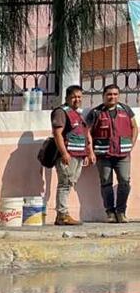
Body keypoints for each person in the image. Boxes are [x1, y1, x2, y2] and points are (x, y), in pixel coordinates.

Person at [87, 83, 137, 223]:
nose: (112, 97)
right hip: (104, 155)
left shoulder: (126, 110)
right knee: (106, 184)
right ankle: (110, 213)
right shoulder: (96, 112)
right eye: (109, 94)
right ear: (103, 96)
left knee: (125, 182)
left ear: (118, 95)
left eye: (115, 94)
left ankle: (121, 212)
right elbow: (88, 133)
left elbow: (135, 127)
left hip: (123, 155)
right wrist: (90, 152)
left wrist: (131, 145)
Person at [50, 85, 91, 226]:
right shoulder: (61, 112)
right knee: (65, 184)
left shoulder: (77, 113)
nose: (77, 99)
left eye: (79, 97)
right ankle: (62, 215)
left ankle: (63, 215)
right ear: (67, 97)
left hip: (78, 155)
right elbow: (57, 134)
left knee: (69, 183)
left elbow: (83, 134)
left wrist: (86, 153)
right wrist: (64, 153)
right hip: (68, 155)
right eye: (74, 97)